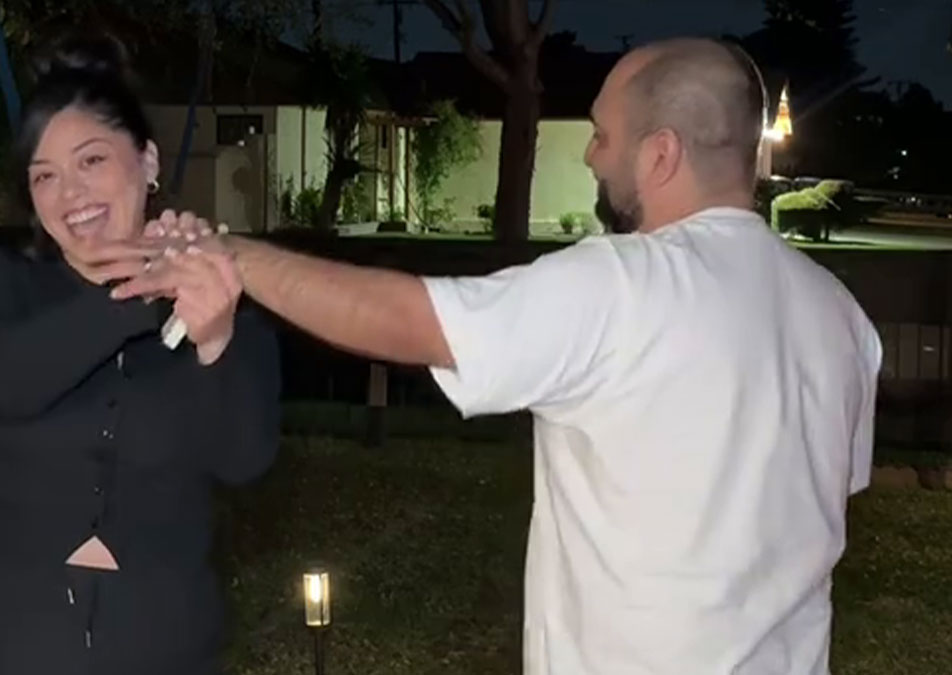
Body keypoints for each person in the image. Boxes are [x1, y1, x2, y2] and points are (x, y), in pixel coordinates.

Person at [121, 38, 882, 674]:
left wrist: (231, 253)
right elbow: (819, 499)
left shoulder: (623, 285)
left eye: (602, 134)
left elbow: (406, 320)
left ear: (660, 155)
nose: (589, 155)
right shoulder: (840, 316)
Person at [0, 33, 280, 675]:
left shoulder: (219, 301)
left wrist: (214, 333)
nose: (69, 193)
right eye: (43, 175)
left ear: (148, 161)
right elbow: (3, 378)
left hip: (160, 646)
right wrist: (145, 283)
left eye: (91, 160)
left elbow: (245, 458)